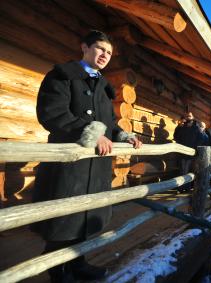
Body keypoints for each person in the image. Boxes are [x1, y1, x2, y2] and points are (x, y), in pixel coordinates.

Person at [32, 30, 142, 282]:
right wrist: (91, 133)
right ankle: (58, 271)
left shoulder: (104, 87)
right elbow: (52, 113)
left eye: (109, 52)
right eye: (100, 49)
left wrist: (125, 136)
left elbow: (110, 124)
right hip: (69, 165)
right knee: (63, 221)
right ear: (84, 47)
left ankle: (78, 263)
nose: (105, 55)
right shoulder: (61, 76)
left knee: (82, 219)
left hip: (95, 167)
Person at [173, 112, 203, 192]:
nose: (188, 117)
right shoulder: (183, 126)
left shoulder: (196, 127)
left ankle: (187, 188)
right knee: (182, 170)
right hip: (182, 152)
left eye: (190, 116)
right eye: (187, 116)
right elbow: (177, 137)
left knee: (188, 170)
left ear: (193, 117)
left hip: (191, 152)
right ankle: (181, 187)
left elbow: (200, 139)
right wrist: (179, 127)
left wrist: (195, 149)